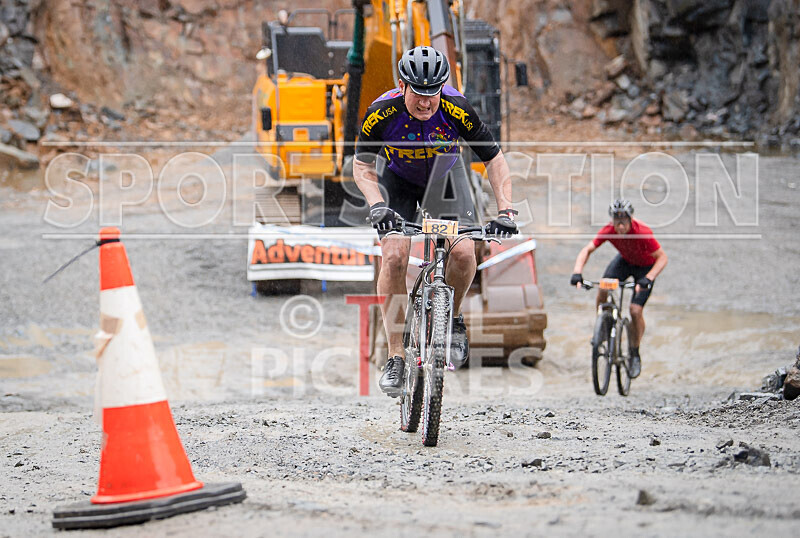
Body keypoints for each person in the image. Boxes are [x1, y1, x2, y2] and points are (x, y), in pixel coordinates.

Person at [353, 45, 518, 397]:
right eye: (419, 94)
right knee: (394, 256)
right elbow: (362, 166)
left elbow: (495, 159)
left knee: (464, 253)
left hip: (446, 178)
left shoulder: (457, 107)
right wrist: (377, 205)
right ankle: (396, 356)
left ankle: (453, 319)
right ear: (402, 85)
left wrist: (506, 209)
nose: (427, 103)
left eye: (433, 94)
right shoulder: (382, 111)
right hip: (398, 181)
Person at [570, 199, 668, 378]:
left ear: (631, 220)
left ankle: (635, 352)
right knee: (603, 286)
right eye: (617, 221)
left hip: (646, 268)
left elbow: (662, 258)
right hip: (625, 262)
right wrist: (577, 272)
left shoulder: (642, 233)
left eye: (624, 221)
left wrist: (648, 278)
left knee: (635, 310)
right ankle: (602, 327)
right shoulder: (609, 230)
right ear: (612, 221)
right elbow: (587, 250)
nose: (620, 226)